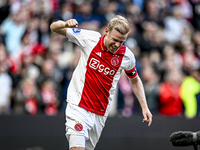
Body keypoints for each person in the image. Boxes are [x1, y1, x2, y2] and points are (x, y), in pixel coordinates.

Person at [50, 15, 152, 150]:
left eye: (121, 42)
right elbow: (53, 28)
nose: (117, 45)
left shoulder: (127, 56)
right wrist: (64, 24)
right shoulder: (89, 39)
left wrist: (145, 107)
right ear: (106, 31)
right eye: (115, 40)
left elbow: (135, 80)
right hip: (78, 106)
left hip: (100, 113)